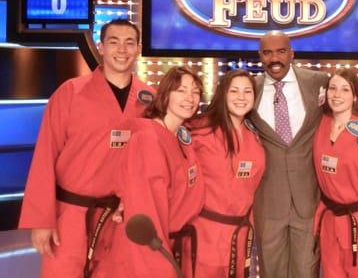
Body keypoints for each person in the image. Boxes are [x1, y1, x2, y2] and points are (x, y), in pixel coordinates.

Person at [18, 19, 154, 278]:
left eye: (129, 43)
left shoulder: (149, 98)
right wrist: (41, 221)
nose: (122, 50)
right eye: (114, 42)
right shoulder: (70, 92)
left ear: (139, 48)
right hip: (69, 215)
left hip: (121, 219)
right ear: (101, 47)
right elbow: (45, 156)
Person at [104, 66, 205, 278]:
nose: (190, 98)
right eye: (181, 90)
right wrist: (161, 265)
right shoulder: (148, 140)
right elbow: (146, 209)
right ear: (166, 95)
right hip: (147, 250)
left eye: (195, 91)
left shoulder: (180, 136)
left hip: (172, 244)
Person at [249, 30, 329, 278]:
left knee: (306, 271)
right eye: (267, 52)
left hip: (308, 199)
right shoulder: (249, 89)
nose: (275, 58)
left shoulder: (319, 82)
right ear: (260, 56)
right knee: (271, 271)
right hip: (267, 201)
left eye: (281, 51)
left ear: (291, 53)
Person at [183, 69, 265, 278]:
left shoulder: (255, 136)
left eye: (247, 92)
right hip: (204, 235)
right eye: (234, 91)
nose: (241, 97)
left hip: (239, 236)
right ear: (223, 95)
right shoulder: (199, 131)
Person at [313, 68, 358, 277]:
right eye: (333, 88)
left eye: (345, 89)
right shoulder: (320, 122)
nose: (337, 95)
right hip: (330, 219)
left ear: (355, 96)